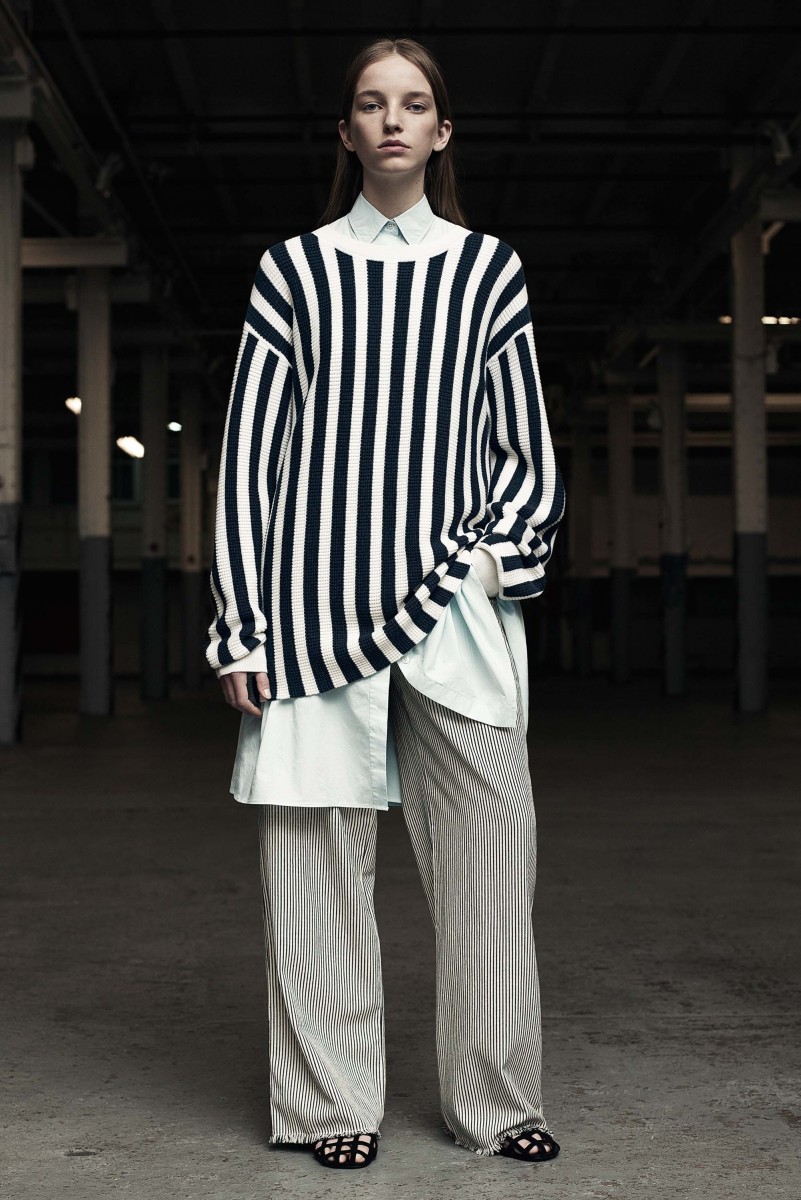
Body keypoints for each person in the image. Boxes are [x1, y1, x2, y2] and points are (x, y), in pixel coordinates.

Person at [205, 35, 566, 1171]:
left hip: (452, 606)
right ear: (348, 131)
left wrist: (489, 564)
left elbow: (526, 449)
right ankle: (331, 1108)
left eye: (414, 104)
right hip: (309, 613)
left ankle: (498, 1103)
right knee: (314, 873)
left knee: (492, 852)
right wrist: (241, 622)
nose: (393, 120)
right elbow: (250, 458)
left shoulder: (487, 271)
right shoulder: (293, 272)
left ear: (442, 131)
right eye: (372, 103)